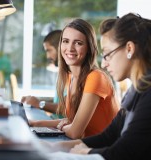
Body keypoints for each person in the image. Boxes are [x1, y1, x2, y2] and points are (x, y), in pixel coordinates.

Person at [44, 13, 151, 159]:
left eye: (107, 53)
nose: (104, 63)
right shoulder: (135, 91)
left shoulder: (148, 94)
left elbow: (125, 151)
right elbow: (108, 137)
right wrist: (54, 147)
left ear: (129, 49)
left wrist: (86, 152)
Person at [28, 18, 120, 139]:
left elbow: (74, 131)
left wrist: (65, 126)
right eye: (65, 41)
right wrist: (34, 123)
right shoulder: (71, 77)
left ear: (89, 48)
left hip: (103, 152)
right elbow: (72, 121)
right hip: (83, 146)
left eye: (78, 43)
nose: (70, 48)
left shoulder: (96, 77)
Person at [21, 30, 62, 117]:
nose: (48, 56)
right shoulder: (61, 73)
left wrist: (40, 104)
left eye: (49, 50)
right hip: (54, 122)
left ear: (60, 48)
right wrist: (35, 101)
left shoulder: (73, 74)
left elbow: (67, 108)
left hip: (59, 127)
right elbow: (59, 102)